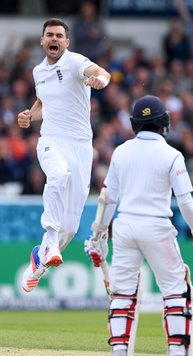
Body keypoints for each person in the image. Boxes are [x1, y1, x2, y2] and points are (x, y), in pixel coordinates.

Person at [84, 95, 193, 356]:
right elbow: (185, 201)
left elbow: (108, 198)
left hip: (125, 227)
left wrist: (99, 237)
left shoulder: (121, 152)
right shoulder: (172, 155)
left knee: (122, 293)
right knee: (176, 290)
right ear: (163, 123)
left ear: (135, 123)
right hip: (157, 227)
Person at [17, 18, 110, 292]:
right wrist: (29, 116)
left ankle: (40, 259)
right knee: (58, 174)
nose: (54, 39)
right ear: (42, 41)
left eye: (59, 35)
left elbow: (100, 71)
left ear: (66, 42)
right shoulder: (38, 72)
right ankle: (48, 238)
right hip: (51, 140)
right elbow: (45, 102)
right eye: (50, 35)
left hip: (81, 147)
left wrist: (100, 80)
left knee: (69, 227)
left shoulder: (75, 62)